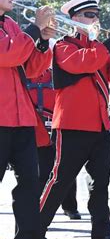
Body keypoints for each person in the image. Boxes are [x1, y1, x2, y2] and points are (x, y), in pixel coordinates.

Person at [39, 0, 110, 239]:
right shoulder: (64, 45)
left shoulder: (97, 48)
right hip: (72, 123)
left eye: (96, 15)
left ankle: (101, 234)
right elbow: (83, 64)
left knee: (100, 183)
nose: (95, 20)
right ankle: (33, 231)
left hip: (99, 124)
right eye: (89, 15)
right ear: (75, 18)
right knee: (60, 180)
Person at [0, 0, 56, 239]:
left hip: (21, 118)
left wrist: (44, 39)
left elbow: (32, 68)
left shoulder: (11, 25)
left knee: (30, 184)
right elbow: (8, 55)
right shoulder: (16, 29)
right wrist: (34, 29)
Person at [28, 68, 81, 221]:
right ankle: (37, 209)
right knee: (41, 172)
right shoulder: (25, 74)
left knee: (66, 168)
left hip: (58, 124)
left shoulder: (55, 74)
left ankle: (70, 206)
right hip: (35, 127)